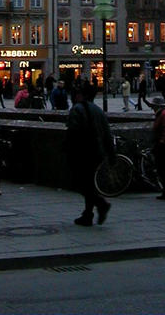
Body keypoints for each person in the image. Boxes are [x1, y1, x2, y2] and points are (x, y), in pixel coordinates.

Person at [65, 87, 115, 226]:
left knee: (80, 183)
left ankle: (101, 204)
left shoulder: (77, 109)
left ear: (79, 95)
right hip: (97, 152)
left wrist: (68, 149)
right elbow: (107, 133)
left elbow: (73, 133)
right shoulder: (98, 109)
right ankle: (88, 215)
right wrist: (111, 154)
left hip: (83, 152)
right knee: (89, 183)